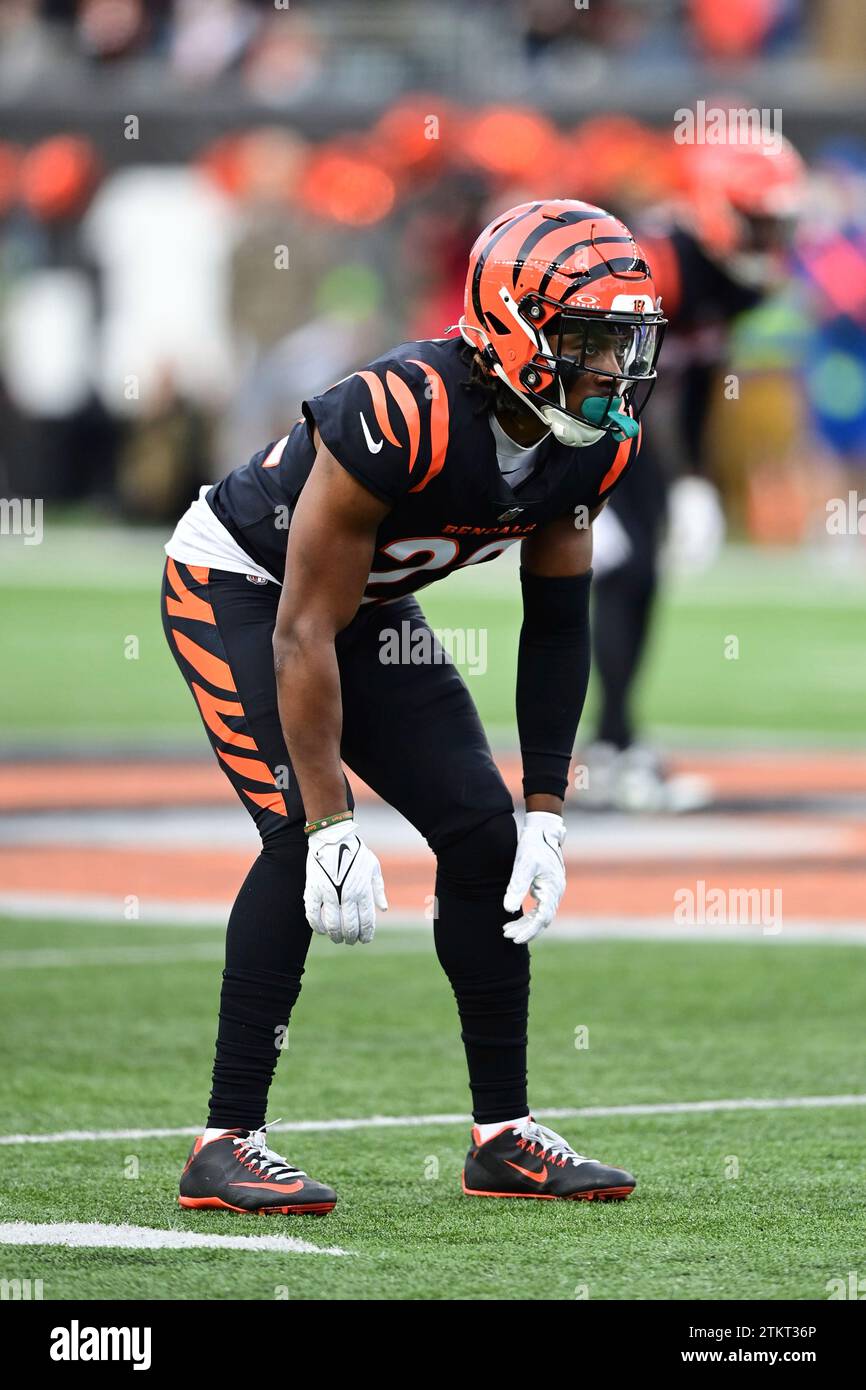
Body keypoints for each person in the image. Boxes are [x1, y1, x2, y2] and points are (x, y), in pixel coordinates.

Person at [162, 199, 664, 1213]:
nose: (610, 369)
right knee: (296, 841)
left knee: (482, 838)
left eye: (620, 342)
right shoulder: (402, 410)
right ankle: (224, 1139)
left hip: (362, 604)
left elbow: (557, 622)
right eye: (584, 340)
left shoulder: (592, 445)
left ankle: (501, 1135)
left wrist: (547, 812)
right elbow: (301, 626)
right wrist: (334, 817)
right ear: (512, 328)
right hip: (243, 588)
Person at [584, 137, 806, 811]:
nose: (769, 235)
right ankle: (597, 754)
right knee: (615, 572)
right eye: (757, 218)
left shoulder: (736, 280)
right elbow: (588, 375)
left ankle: (614, 742)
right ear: (716, 209)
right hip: (575, 417)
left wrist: (696, 479)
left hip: (624, 421)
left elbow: (704, 376)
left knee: (643, 572)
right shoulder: (656, 267)